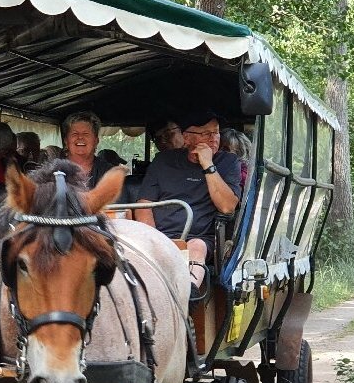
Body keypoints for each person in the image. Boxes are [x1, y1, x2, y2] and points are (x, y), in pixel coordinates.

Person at [134, 109, 242, 299]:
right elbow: (144, 206)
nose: (213, 138)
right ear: (186, 137)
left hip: (201, 237)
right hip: (161, 236)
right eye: (206, 133)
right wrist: (154, 240)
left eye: (216, 132)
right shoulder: (163, 161)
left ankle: (187, 295)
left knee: (196, 246)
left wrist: (208, 165)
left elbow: (227, 207)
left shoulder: (228, 162)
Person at [61, 110, 119, 188]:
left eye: (86, 134)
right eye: (75, 133)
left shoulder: (110, 174)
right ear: (66, 141)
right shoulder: (50, 172)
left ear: (96, 141)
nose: (80, 137)